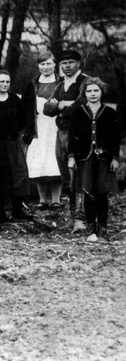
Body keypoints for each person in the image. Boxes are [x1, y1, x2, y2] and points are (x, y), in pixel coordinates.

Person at [67, 77, 121, 241]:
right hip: (85, 158)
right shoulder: (78, 112)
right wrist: (71, 157)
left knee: (102, 193)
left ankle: (103, 227)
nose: (92, 94)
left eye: (95, 90)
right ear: (84, 93)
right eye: (89, 91)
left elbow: (115, 137)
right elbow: (72, 136)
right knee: (88, 192)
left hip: (104, 158)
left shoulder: (110, 112)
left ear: (101, 92)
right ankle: (91, 227)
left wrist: (114, 158)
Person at [43, 49, 89, 231]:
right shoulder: (60, 84)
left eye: (70, 62)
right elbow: (47, 109)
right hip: (61, 132)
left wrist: (62, 105)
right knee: (66, 176)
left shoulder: (85, 81)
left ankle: (81, 218)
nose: (67, 66)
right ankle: (72, 217)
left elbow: (82, 104)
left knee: (78, 174)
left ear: (78, 63)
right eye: (63, 63)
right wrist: (62, 105)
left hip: (78, 133)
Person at [0, 70, 31, 222]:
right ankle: (0, 213)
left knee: (19, 175)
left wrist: (15, 132)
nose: (5, 84)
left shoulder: (14, 100)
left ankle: (17, 211)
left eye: (7, 82)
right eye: (1, 81)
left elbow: (23, 119)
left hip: (12, 143)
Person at [22, 51, 62, 209]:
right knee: (39, 162)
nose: (45, 67)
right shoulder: (32, 83)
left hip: (56, 127)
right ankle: (42, 200)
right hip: (38, 126)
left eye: (48, 63)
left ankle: (56, 199)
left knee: (55, 160)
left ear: (54, 64)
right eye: (42, 64)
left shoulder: (61, 82)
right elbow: (25, 106)